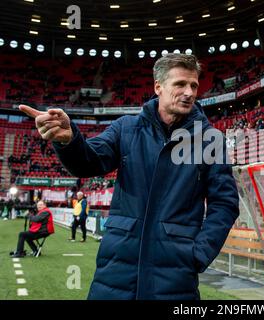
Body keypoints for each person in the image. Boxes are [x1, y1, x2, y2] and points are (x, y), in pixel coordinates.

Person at [19, 53, 239, 300]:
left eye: (194, 85)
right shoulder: (126, 128)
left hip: (175, 279)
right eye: (180, 84)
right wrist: (70, 141)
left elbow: (225, 204)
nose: (189, 92)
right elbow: (89, 161)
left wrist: (197, 254)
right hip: (116, 273)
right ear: (158, 87)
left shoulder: (209, 140)